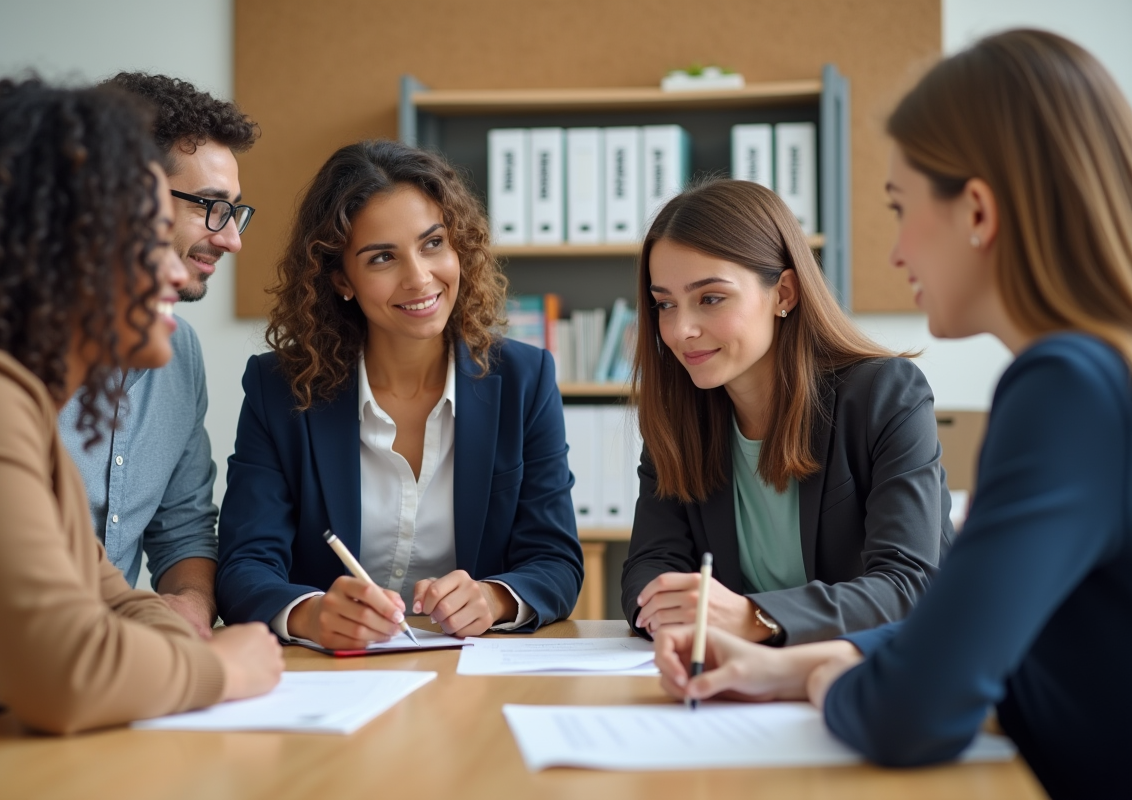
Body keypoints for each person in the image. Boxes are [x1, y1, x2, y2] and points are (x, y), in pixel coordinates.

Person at [652, 29, 1132, 799]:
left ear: (977, 210)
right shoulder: (1099, 376)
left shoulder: (1066, 389)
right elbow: (981, 638)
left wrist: (819, 680)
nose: (897, 250)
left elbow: (916, 711)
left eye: (901, 208)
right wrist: (792, 664)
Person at [0, 79, 281, 739]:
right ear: (61, 246)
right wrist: (222, 672)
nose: (177, 273)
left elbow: (117, 600)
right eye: (151, 236)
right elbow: (68, 672)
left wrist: (183, 647)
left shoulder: (20, 412)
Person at [216, 140, 583, 648]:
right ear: (342, 278)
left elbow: (556, 561)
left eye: (433, 243)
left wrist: (494, 598)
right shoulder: (278, 389)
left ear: (459, 247)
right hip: (333, 677)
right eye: (383, 257)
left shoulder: (525, 378)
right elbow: (244, 565)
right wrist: (310, 613)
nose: (419, 278)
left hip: (473, 675)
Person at [621, 178, 954, 645]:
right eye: (665, 305)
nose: (681, 330)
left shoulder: (884, 395)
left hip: (870, 676)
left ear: (784, 294)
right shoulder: (679, 418)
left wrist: (755, 617)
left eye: (710, 298)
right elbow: (649, 568)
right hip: (737, 679)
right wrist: (669, 606)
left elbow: (909, 585)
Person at [57, 72, 259, 637]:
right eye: (210, 207)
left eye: (235, 211)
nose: (231, 239)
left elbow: (184, 529)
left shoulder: (180, 349)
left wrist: (188, 615)